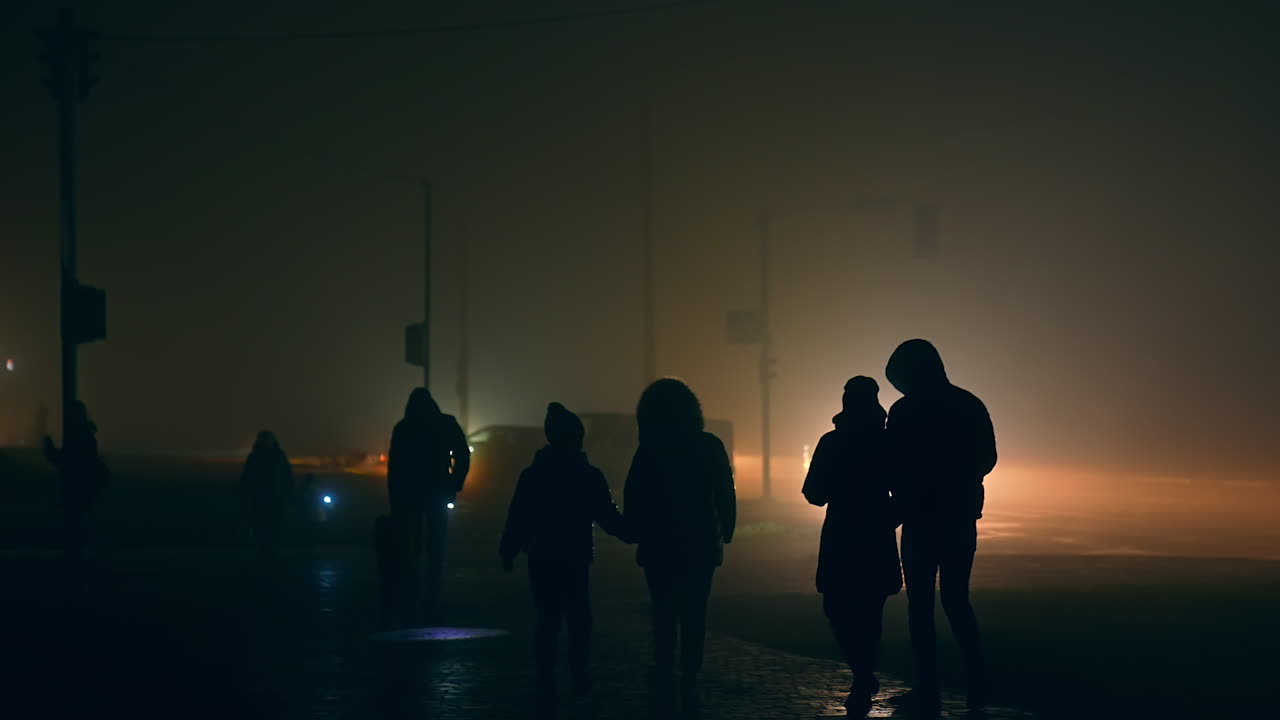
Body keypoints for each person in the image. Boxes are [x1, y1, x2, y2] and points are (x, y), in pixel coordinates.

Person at [499, 402, 632, 714]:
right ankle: (579, 672)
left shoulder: (532, 475)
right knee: (579, 617)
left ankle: (545, 681)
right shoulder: (589, 476)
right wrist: (635, 532)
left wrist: (508, 549)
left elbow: (518, 517)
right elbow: (608, 518)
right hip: (575, 557)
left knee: (547, 620)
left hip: (541, 557)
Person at [885, 339, 996, 712]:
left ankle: (927, 686)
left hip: (918, 519)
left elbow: (893, 464)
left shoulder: (903, 411)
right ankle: (977, 684)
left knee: (920, 605)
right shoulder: (969, 404)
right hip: (959, 516)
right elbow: (987, 458)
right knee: (956, 599)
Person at [623, 378, 736, 712]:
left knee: (663, 610)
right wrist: (726, 529)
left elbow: (635, 494)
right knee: (694, 610)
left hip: (659, 542)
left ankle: (664, 668)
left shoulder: (650, 449)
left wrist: (634, 528)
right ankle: (690, 671)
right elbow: (724, 491)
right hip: (700, 541)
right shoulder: (709, 445)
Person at [802, 376, 902, 715]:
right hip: (876, 533)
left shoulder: (831, 442)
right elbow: (903, 489)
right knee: (871, 611)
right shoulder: (887, 441)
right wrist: (888, 516)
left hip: (841, 532)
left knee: (837, 606)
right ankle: (864, 673)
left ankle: (861, 672)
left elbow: (814, 493)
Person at [386, 387, 470, 622]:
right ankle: (432, 589)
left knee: (411, 543)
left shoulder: (404, 428)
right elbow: (462, 454)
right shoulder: (445, 424)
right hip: (439, 492)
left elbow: (394, 468)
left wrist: (394, 498)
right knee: (436, 543)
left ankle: (411, 589)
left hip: (409, 495)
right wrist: (455, 482)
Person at [42, 401, 109, 569]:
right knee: (77, 525)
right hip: (82, 490)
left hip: (75, 489)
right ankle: (76, 559)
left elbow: (68, 461)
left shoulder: (78, 436)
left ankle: (74, 562)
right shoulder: (87, 435)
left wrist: (49, 450)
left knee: (73, 526)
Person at [240, 431, 293, 559]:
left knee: (270, 523)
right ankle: (266, 549)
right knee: (263, 524)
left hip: (271, 496)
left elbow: (286, 476)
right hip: (264, 496)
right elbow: (248, 477)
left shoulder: (267, 456)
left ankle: (269, 549)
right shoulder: (268, 456)